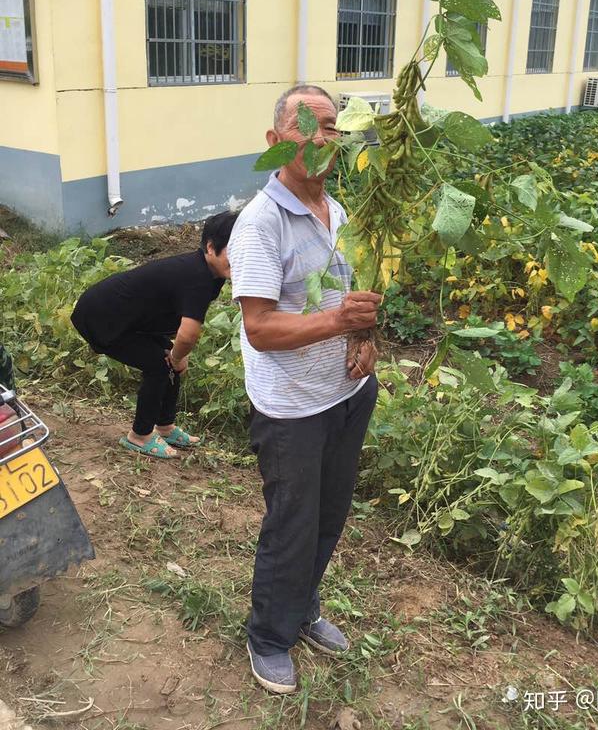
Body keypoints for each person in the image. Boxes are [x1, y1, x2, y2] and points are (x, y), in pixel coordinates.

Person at [228, 84, 382, 695]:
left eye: (330, 127)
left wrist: (362, 339)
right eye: (307, 125)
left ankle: (303, 606)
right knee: (291, 523)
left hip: (345, 394)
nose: (322, 137)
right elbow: (261, 328)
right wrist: (339, 323)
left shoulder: (337, 212)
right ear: (274, 142)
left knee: (327, 517)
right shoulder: (259, 224)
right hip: (291, 408)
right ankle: (268, 635)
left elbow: (354, 297)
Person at [71, 211, 237, 458]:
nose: (241, 258)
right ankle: (139, 436)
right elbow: (188, 335)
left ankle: (165, 426)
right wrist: (179, 353)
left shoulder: (211, 274)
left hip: (129, 318)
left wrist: (177, 354)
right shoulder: (199, 278)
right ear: (211, 247)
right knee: (160, 364)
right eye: (233, 251)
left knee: (172, 358)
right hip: (101, 316)